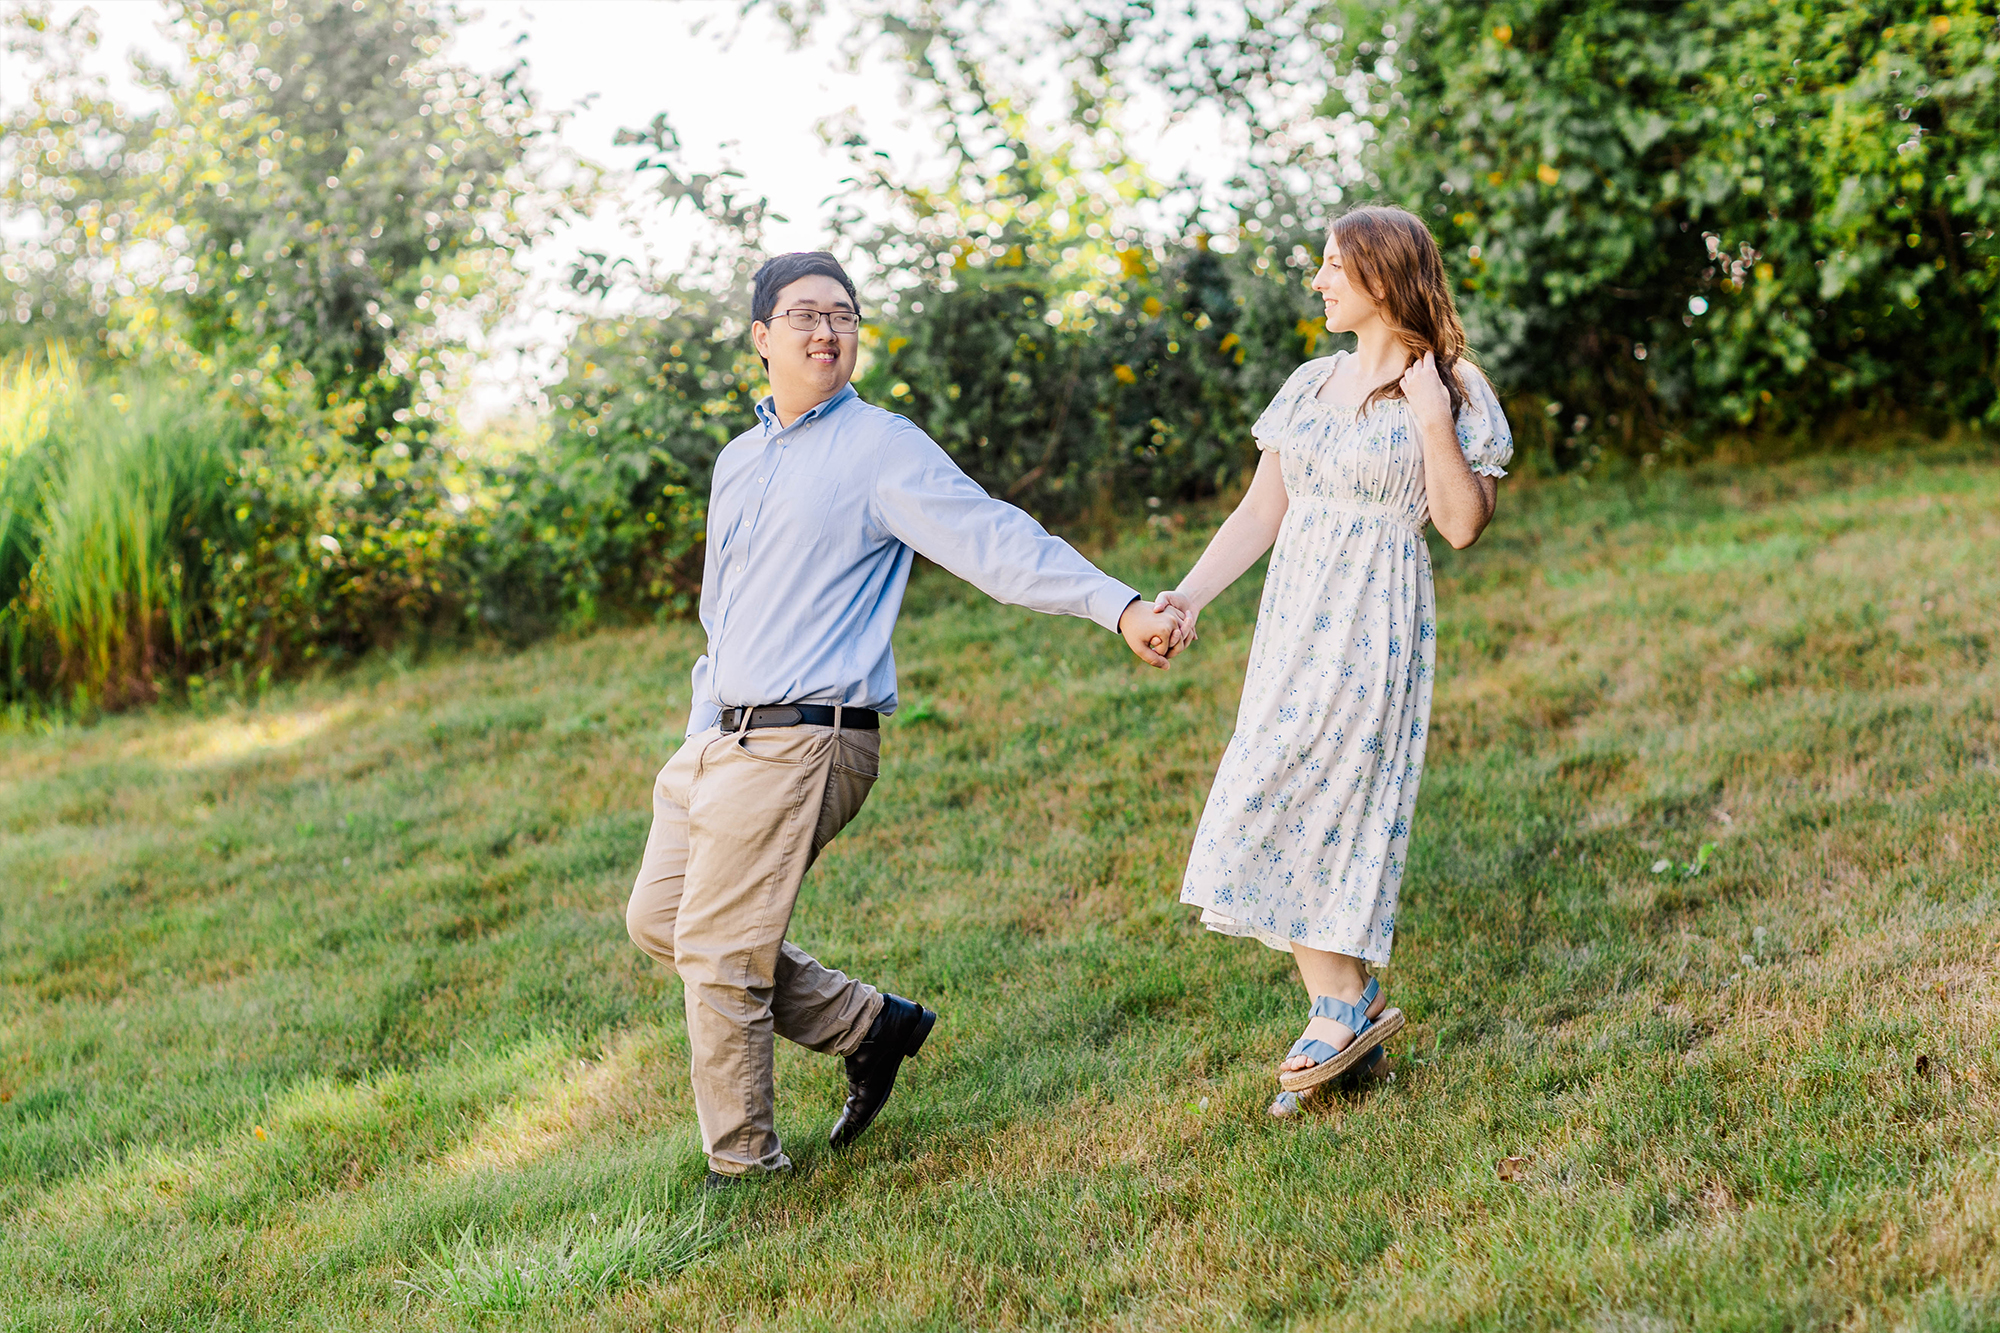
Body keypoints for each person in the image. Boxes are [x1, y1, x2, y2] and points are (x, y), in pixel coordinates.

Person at [625, 251, 1185, 1185]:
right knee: (662, 922)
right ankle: (870, 1024)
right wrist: (698, 731)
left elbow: (993, 536)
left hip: (808, 736)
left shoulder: (881, 446)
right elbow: (722, 611)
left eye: (842, 315)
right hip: (716, 735)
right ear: (761, 337)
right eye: (803, 315)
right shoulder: (739, 460)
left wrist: (1117, 604)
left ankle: (745, 1172)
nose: (825, 331)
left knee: (720, 954)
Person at [1152, 205, 1513, 1116]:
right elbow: (1257, 515)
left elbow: (1463, 526)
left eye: (1331, 266)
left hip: (1374, 620)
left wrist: (1432, 417)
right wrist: (1187, 597)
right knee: (1266, 787)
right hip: (1292, 623)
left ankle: (1337, 1010)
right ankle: (1347, 1005)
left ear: (1383, 278)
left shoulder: (1456, 387)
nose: (1318, 281)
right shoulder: (1311, 383)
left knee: (1332, 798)